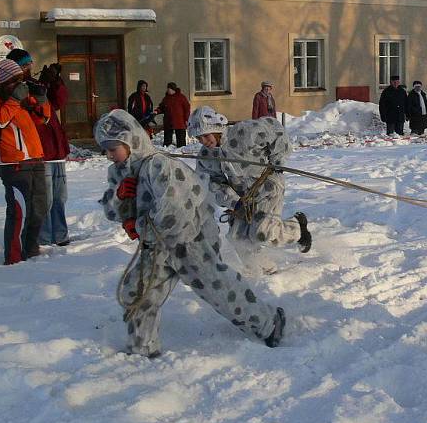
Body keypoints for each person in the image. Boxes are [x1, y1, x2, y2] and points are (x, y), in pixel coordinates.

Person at [95, 109, 285, 357]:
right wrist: (120, 198)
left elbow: (173, 213)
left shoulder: (160, 166)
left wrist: (139, 226)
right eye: (106, 150)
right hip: (157, 245)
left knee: (218, 289)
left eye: (113, 148)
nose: (109, 156)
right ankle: (142, 348)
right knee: (137, 291)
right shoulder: (119, 172)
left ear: (130, 140)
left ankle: (269, 323)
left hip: (191, 240)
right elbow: (111, 211)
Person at [188, 106, 311, 273]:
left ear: (216, 129)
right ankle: (265, 270)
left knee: (262, 231)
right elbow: (213, 183)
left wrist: (278, 160)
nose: (203, 141)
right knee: (237, 237)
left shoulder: (242, 133)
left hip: (268, 187)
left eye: (205, 136)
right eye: (198, 138)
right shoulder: (206, 156)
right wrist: (233, 200)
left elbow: (275, 129)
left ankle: (298, 228)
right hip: (243, 200)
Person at [0, 59, 50, 265]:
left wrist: (41, 99)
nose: (20, 85)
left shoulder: (20, 100)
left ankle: (31, 250)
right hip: (14, 164)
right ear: (5, 82)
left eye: (22, 81)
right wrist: (15, 99)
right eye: (16, 81)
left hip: (35, 160)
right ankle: (14, 259)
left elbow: (43, 120)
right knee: (19, 212)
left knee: (38, 209)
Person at [6, 49, 71, 247]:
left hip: (56, 149)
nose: (29, 67)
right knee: (46, 198)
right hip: (40, 151)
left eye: (29, 63)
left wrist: (55, 81)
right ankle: (42, 237)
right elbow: (34, 116)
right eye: (24, 65)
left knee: (60, 197)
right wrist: (39, 88)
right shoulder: (16, 89)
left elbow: (58, 102)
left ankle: (60, 235)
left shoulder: (35, 85)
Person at [155, 82, 191, 147]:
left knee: (181, 140)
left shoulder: (181, 97)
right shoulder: (166, 98)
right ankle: (167, 149)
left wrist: (186, 119)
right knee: (167, 140)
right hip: (168, 121)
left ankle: (181, 150)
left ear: (173, 89)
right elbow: (162, 107)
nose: (168, 90)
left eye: (170, 89)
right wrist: (157, 111)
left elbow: (187, 108)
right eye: (168, 88)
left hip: (179, 121)